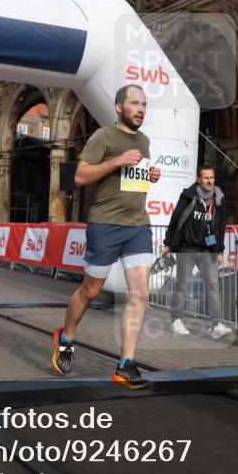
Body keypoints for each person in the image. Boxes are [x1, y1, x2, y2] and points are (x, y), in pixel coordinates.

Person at [51, 84, 161, 389]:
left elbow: (134, 181)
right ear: (118, 107)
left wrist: (150, 175)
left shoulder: (145, 140)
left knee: (140, 294)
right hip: (106, 225)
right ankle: (66, 337)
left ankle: (126, 364)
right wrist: (117, 161)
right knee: (91, 291)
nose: (141, 109)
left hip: (138, 225)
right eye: (135, 103)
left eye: (144, 105)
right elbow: (79, 176)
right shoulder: (103, 136)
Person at [161, 165, 231, 339]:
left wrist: (220, 250)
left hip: (208, 250)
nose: (209, 181)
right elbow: (175, 218)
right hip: (186, 248)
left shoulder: (219, 198)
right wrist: (168, 244)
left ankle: (216, 325)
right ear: (199, 179)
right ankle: (176, 321)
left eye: (212, 178)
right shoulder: (188, 195)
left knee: (213, 287)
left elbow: (220, 227)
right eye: (206, 178)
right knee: (182, 285)